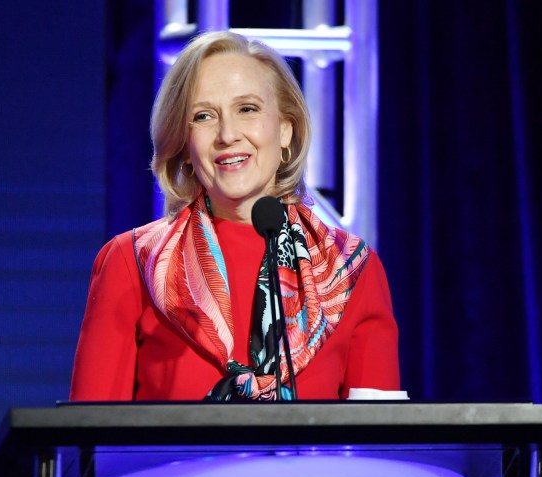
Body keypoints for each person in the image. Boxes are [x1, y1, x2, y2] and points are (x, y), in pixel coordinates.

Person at [70, 31, 399, 401]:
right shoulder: (132, 263)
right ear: (184, 145)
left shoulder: (353, 270)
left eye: (247, 109)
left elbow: (378, 445)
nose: (227, 134)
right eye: (204, 116)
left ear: (286, 129)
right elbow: (90, 444)